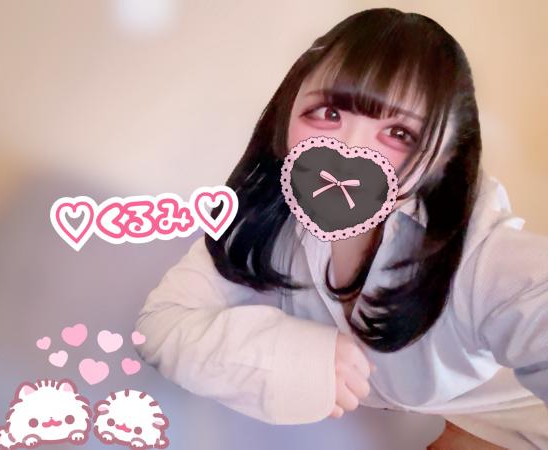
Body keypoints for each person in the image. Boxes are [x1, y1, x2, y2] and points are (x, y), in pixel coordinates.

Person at [134, 8, 548, 449]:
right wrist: (296, 358)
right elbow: (160, 324)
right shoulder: (261, 213)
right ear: (289, 110)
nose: (346, 149)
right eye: (329, 112)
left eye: (399, 134)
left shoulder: (485, 259)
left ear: (445, 158)